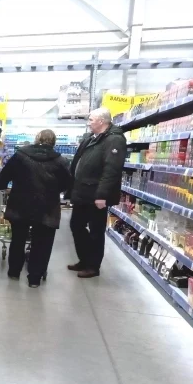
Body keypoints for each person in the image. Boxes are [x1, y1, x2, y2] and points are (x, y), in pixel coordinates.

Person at [0, 129, 71, 287]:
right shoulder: (60, 160)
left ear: (37, 139)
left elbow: (5, 175)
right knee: (42, 243)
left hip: (20, 204)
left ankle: (14, 271)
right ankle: (35, 278)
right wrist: (55, 191)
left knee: (18, 239)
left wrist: (2, 187)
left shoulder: (20, 155)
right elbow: (68, 184)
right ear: (54, 142)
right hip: (47, 208)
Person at [68, 107, 127, 278]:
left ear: (101, 121)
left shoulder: (114, 140)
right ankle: (84, 259)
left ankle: (93, 266)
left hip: (96, 194)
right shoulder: (90, 138)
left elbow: (111, 170)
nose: (88, 123)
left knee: (96, 231)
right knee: (76, 225)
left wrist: (102, 195)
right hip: (82, 191)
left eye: (91, 120)